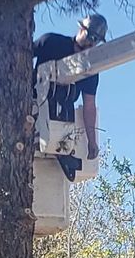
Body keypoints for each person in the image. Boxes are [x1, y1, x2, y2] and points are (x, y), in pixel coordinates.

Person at [32, 12, 106, 162]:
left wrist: (92, 141)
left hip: (62, 116)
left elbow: (89, 105)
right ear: (81, 29)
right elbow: (20, 57)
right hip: (32, 105)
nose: (92, 43)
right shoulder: (51, 42)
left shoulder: (89, 67)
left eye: (96, 40)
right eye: (90, 36)